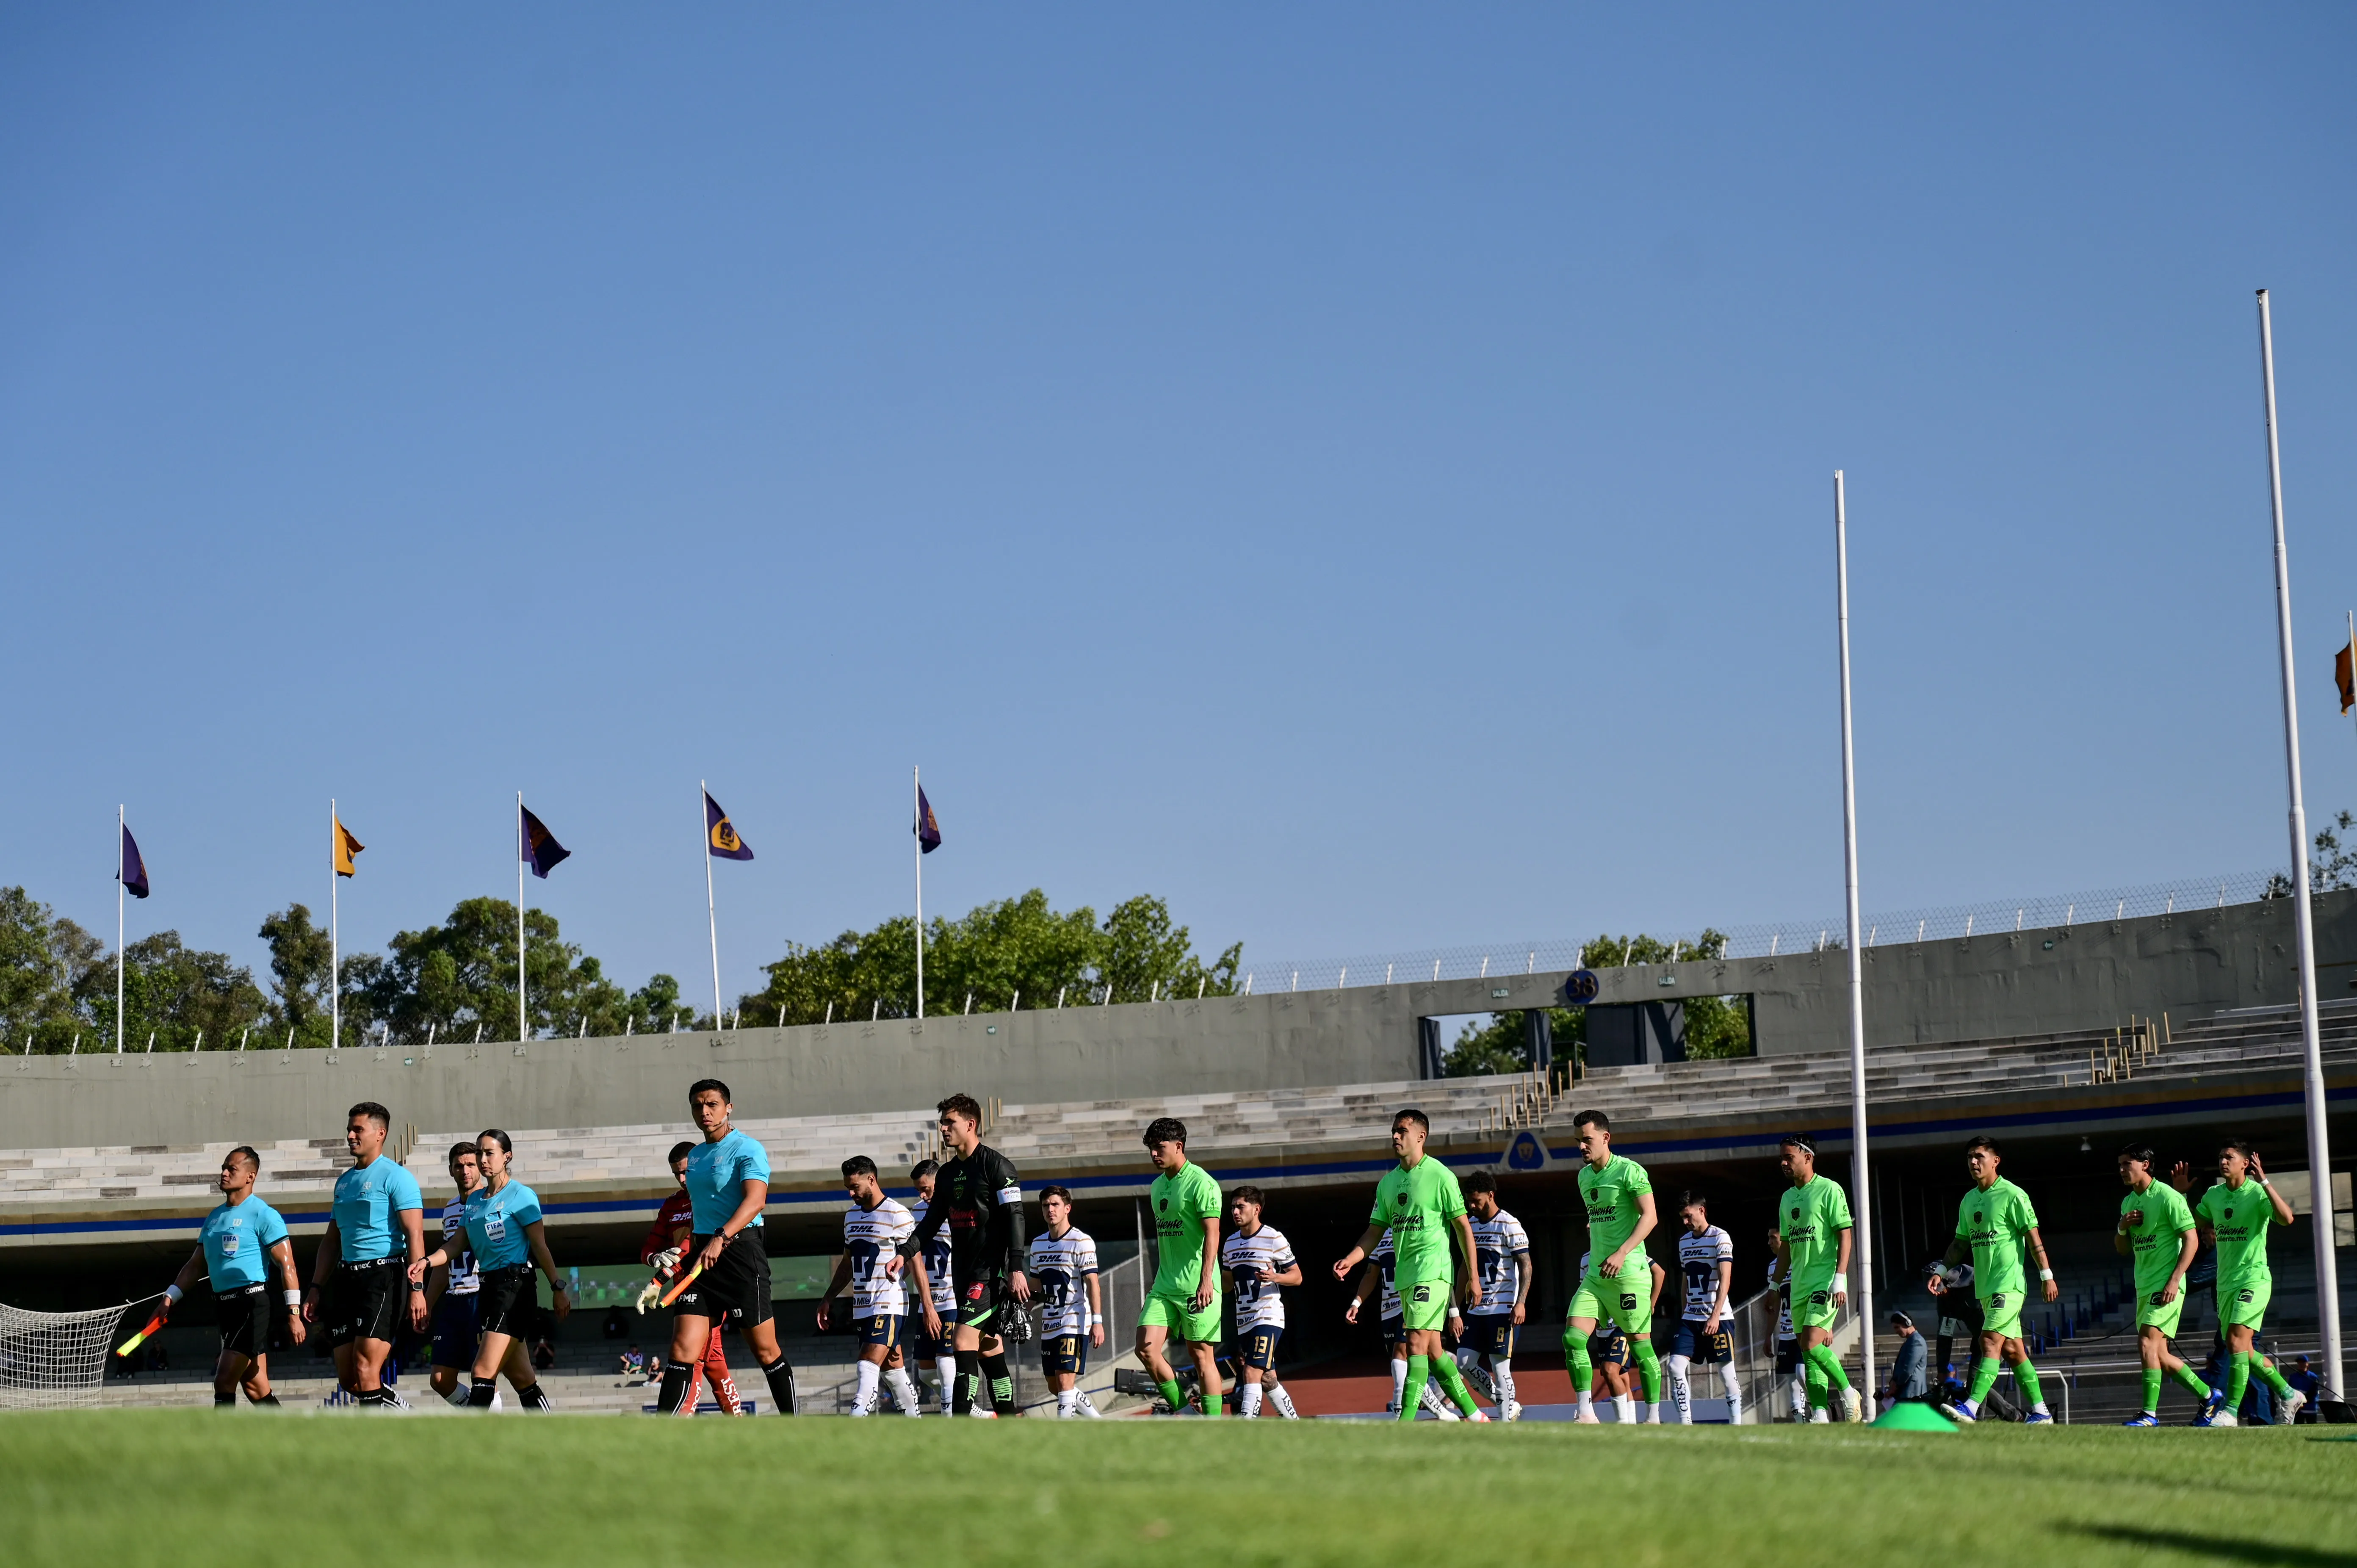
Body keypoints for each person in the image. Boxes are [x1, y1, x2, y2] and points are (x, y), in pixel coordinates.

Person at [653, 1080, 799, 1416]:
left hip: (741, 1252)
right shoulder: (697, 1156)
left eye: (712, 1104)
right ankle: (659, 1435)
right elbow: (700, 1210)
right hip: (702, 1258)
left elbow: (756, 1200)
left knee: (766, 1351)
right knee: (682, 1347)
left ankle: (796, 1425)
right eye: (697, 1106)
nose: (704, 1112)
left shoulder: (747, 1148)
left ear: (728, 1107)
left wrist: (722, 1236)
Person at [1332, 1108, 1487, 1423]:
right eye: (1394, 1130)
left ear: (1421, 1136)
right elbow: (1375, 1231)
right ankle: (1474, 1414)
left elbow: (1463, 1228)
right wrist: (1351, 1257)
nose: (1395, 1136)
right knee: (1432, 1351)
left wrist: (1473, 1277)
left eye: (1402, 1130)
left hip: (1433, 1271)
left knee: (1414, 1342)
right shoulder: (1388, 1183)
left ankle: (1405, 1425)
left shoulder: (1440, 1175)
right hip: (1406, 1277)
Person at [408, 1129, 569, 1409]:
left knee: (482, 1372)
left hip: (515, 1288)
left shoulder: (522, 1195)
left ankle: (472, 1446)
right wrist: (427, 1261)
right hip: (490, 1288)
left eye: (489, 1153)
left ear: (507, 1157)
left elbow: (541, 1246)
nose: (483, 1159)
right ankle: (553, 1438)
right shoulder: (474, 1201)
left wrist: (558, 1287)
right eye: (480, 1152)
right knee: (522, 1377)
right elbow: (457, 1243)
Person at [891, 1093, 1028, 1417]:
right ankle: (1011, 1423)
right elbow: (929, 1223)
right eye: (942, 1122)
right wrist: (904, 1252)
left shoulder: (997, 1165)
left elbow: (1016, 1215)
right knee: (989, 1352)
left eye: (949, 1122)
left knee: (962, 1342)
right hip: (963, 1274)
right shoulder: (950, 1174)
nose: (943, 1128)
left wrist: (1017, 1267)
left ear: (971, 1124)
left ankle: (962, 1426)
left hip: (990, 1272)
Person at [150, 1145, 305, 1406]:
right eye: (223, 1167)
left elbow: (287, 1265)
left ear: (250, 1176)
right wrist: (169, 1298)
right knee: (256, 1386)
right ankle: (290, 1440)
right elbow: (195, 1265)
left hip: (251, 1305)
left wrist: (294, 1314)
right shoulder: (214, 1218)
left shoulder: (264, 1215)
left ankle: (221, 1444)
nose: (223, 1173)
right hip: (224, 1308)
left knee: (223, 1381)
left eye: (231, 1169)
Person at [303, 1101, 428, 1410]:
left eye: (358, 1129)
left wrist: (417, 1289)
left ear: (380, 1133)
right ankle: (403, 1411)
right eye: (349, 1129)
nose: (350, 1135)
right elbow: (332, 1241)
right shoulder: (344, 1182)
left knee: (365, 1366)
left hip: (383, 1277)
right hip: (346, 1279)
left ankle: (374, 1446)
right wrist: (316, 1287)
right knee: (350, 1380)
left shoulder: (397, 1177)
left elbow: (415, 1235)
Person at [1928, 1134, 2060, 1424]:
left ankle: (1971, 1407)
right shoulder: (1969, 1200)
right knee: (2013, 1351)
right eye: (1970, 1157)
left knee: (1989, 1341)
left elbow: (2033, 1237)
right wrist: (1940, 1271)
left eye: (1980, 1156)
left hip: (2008, 1285)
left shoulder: (2013, 1195)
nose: (1974, 1162)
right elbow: (1959, 1244)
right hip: (1986, 1289)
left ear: (1995, 1160)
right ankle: (2041, 1412)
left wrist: (2046, 1275)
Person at [2177, 1137, 2305, 1426]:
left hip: (2254, 1278)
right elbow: (2192, 1226)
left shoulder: (2258, 1194)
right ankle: (2288, 1393)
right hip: (2226, 1284)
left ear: (2245, 1163)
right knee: (2244, 1350)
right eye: (2221, 1156)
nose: (2223, 1161)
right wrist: (2182, 1196)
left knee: (2235, 1339)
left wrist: (2266, 1182)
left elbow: (2287, 1218)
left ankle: (2230, 1412)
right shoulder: (2213, 1195)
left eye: (2229, 1157)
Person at [1560, 1109, 1660, 1424]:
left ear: (1606, 1138)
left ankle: (1654, 1418)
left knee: (1642, 1349)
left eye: (1587, 1140)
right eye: (1578, 1141)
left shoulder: (1630, 1172)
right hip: (1596, 1278)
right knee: (1573, 1338)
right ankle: (1586, 1413)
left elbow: (1651, 1216)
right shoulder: (1583, 1176)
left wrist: (1622, 1252)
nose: (1581, 1147)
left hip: (1629, 1274)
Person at [639, 1139, 742, 1415]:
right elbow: (649, 1248)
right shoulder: (672, 1204)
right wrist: (656, 1259)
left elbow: (691, 1249)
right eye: (676, 1174)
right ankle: (741, 1423)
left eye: (685, 1171)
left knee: (691, 1359)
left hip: (708, 1291)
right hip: (683, 1294)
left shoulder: (711, 1199)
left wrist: (659, 1278)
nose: (682, 1179)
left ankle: (677, 1426)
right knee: (713, 1364)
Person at [2113, 1141, 2212, 1426]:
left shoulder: (2169, 1196)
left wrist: (2175, 1280)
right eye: (2120, 1164)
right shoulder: (2129, 1202)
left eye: (2126, 1163)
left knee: (2146, 1341)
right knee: (2161, 1354)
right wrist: (2123, 1227)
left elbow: (2192, 1240)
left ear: (2145, 1165)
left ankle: (2149, 1415)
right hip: (2144, 1286)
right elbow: (2122, 1248)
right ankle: (2208, 1395)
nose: (2122, 1169)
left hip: (2166, 1286)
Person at [1132, 1117, 1226, 1418]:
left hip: (1198, 1285)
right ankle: (1186, 1413)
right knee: (1146, 1349)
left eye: (1159, 1148)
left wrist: (1206, 1280)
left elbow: (1213, 1232)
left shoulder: (1203, 1183)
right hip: (1164, 1286)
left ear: (1179, 1146)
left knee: (1201, 1356)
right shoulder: (1157, 1186)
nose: (1154, 1154)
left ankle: (1212, 1426)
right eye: (1150, 1148)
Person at [814, 1155, 921, 1416]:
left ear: (872, 1180)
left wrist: (927, 1307)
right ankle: (918, 1426)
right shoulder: (851, 1216)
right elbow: (848, 1263)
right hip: (862, 1307)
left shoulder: (897, 1214)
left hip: (889, 1303)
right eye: (847, 1188)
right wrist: (828, 1298)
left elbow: (917, 1262)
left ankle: (853, 1430)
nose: (851, 1193)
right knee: (893, 1372)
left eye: (855, 1187)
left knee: (866, 1364)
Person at [1771, 1134, 1861, 1423]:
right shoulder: (1786, 1197)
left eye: (1789, 1157)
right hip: (1799, 1283)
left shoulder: (1830, 1189)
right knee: (1808, 1353)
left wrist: (1841, 1277)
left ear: (1808, 1157)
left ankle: (1849, 1393)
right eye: (1782, 1158)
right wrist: (1774, 1285)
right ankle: (1820, 1412)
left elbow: (1845, 1234)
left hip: (1824, 1280)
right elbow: (1785, 1247)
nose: (1784, 1163)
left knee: (1811, 1344)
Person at [1344, 1228, 1455, 1419]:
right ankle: (1441, 1412)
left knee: (1400, 1356)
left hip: (1412, 1303)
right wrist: (1357, 1302)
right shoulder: (1378, 1237)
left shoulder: (1413, 1228)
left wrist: (1453, 1310)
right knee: (1402, 1368)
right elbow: (1371, 1273)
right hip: (1388, 1309)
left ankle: (1400, 1419)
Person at [422, 1142, 496, 1409]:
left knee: (484, 1376)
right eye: (459, 1166)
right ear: (451, 1170)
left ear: (480, 1167)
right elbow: (445, 1263)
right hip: (454, 1299)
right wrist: (428, 1303)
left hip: (482, 1294)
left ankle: (489, 1427)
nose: (465, 1171)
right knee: (440, 1379)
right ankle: (478, 1416)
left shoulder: (492, 1201)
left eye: (470, 1165)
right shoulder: (450, 1207)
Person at [1220, 1184, 1300, 1419]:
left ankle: (1248, 1425)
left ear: (1256, 1209)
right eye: (1233, 1207)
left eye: (1240, 1207)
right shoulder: (1230, 1243)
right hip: (1244, 1320)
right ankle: (1295, 1424)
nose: (1235, 1212)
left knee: (1252, 1370)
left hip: (1268, 1315)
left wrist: (1275, 1277)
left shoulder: (1274, 1238)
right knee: (1267, 1378)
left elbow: (1297, 1277)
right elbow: (1227, 1286)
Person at [1456, 1170, 1529, 1421]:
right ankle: (1508, 1404)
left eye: (1476, 1201)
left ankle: (1506, 1422)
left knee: (1500, 1368)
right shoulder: (1471, 1225)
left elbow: (1526, 1265)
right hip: (1476, 1310)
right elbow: (1466, 1265)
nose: (1472, 1206)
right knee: (1464, 1363)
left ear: (1491, 1195)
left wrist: (1520, 1303)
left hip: (1503, 1308)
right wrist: (1455, 1308)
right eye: (1469, 1201)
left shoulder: (1509, 1223)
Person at [1029, 1184, 1105, 1418]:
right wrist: (1023, 1312)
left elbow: (1093, 1282)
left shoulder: (1081, 1241)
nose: (1050, 1210)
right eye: (1045, 1206)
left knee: (1064, 1381)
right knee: (1056, 1386)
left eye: (1055, 1205)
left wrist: (1098, 1322)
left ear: (1067, 1208)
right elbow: (1035, 1287)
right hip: (1049, 1323)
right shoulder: (1037, 1244)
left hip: (1074, 1320)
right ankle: (1100, 1424)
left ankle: (1064, 1439)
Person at [1664, 1191, 1739, 1424]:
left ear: (1702, 1211)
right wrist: (1685, 1310)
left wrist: (1715, 1316)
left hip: (1719, 1318)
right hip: (1691, 1319)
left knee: (1726, 1374)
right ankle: (1686, 1423)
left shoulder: (1721, 1237)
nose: (1686, 1222)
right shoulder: (1684, 1241)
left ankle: (1737, 1424)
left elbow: (1725, 1278)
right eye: (1683, 1218)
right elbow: (1686, 1279)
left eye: (1688, 1216)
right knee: (1675, 1366)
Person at [1578, 1247, 1665, 1421]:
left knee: (1610, 1370)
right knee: (1621, 1376)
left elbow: (1659, 1272)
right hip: (1603, 1327)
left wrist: (1651, 1303)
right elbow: (1584, 1288)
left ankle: (1623, 1423)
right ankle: (1631, 1424)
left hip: (1623, 1323)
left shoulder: (1627, 1253)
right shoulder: (1586, 1259)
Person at [906, 1158, 960, 1415]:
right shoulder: (915, 1212)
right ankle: (969, 1410)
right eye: (919, 1190)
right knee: (926, 1371)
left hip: (953, 1299)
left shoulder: (959, 1209)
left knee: (944, 1360)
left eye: (927, 1188)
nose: (923, 1195)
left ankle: (951, 1422)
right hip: (927, 1300)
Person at [1767, 1251, 1805, 1421]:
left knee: (1802, 1374)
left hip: (1805, 1330)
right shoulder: (1772, 1267)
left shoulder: (1803, 1258)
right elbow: (1776, 1304)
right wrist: (1768, 1335)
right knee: (1792, 1382)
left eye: (1773, 1237)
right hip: (1786, 1333)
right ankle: (1802, 1425)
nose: (1769, 1242)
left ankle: (1818, 1408)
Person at [1886, 1312, 1927, 1409]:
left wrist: (1895, 1386)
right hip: (1908, 1392)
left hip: (1912, 1393)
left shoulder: (1917, 1342)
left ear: (1907, 1323)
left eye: (1897, 1327)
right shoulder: (1911, 1341)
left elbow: (1907, 1369)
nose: (1896, 1331)